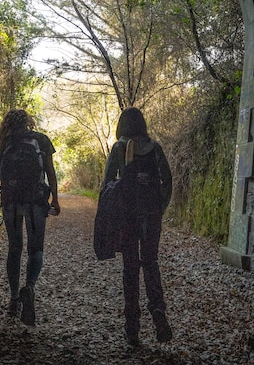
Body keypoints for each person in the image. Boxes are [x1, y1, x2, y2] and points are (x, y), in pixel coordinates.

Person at [103, 107, 172, 347]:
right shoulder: (155, 147)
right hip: (151, 213)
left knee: (130, 268)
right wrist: (160, 207)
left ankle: (132, 327)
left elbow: (107, 183)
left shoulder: (120, 148)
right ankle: (158, 311)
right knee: (151, 262)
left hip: (128, 214)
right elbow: (168, 180)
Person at [0, 109, 60, 326]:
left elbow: (0, 175)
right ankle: (29, 288)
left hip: (12, 202)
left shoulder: (6, 142)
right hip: (35, 201)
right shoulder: (41, 140)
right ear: (28, 122)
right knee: (36, 249)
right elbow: (50, 172)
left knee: (14, 249)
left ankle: (14, 299)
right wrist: (55, 200)